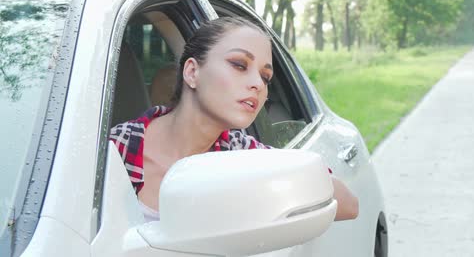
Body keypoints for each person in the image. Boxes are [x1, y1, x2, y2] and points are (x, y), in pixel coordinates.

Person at [109, 16, 358, 222]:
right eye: (239, 65)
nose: (257, 85)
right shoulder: (113, 149)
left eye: (265, 77)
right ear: (192, 72)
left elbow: (348, 204)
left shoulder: (241, 153)